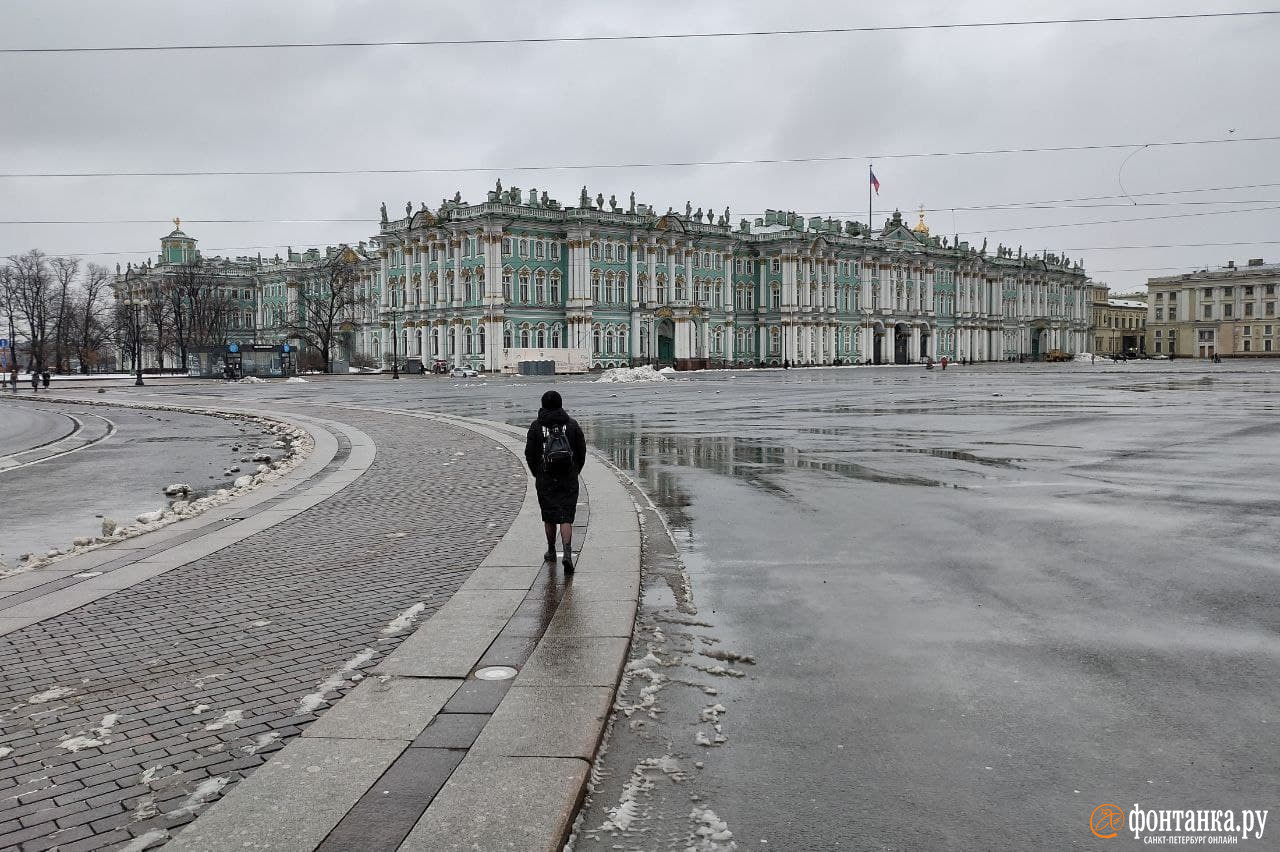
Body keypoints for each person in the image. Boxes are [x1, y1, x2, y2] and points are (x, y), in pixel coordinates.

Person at [524, 390, 587, 572]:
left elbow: (529, 453)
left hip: (545, 477)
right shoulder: (572, 425)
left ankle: (551, 550)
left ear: (543, 405)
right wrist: (575, 470)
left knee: (549, 516)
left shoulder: (536, 426)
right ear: (560, 404)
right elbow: (581, 451)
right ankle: (567, 553)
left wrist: (538, 473)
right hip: (568, 477)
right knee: (566, 516)